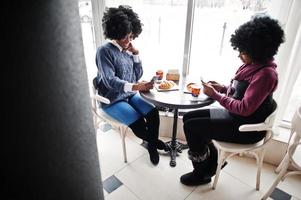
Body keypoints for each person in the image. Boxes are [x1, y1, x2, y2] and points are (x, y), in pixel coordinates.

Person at [180, 16, 285, 186]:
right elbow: (239, 91)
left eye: (243, 52)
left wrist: (215, 95)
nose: (239, 55)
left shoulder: (266, 74)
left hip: (246, 128)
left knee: (192, 127)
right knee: (188, 118)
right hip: (235, 117)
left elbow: (244, 108)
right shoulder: (252, 65)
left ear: (257, 50)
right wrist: (221, 88)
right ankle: (212, 164)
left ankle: (201, 173)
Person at [95, 5, 167, 165]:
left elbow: (137, 75)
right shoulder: (104, 51)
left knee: (153, 113)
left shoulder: (128, 49)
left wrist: (135, 54)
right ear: (114, 34)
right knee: (139, 123)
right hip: (112, 99)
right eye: (124, 37)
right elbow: (109, 80)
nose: (128, 41)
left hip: (129, 95)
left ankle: (152, 144)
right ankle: (154, 145)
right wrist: (137, 87)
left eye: (130, 36)